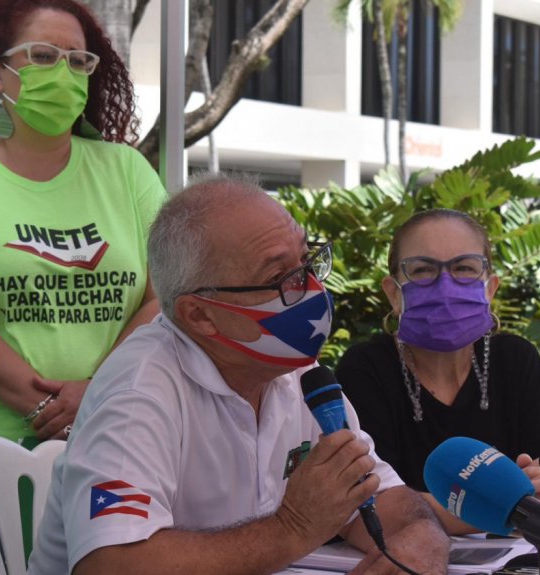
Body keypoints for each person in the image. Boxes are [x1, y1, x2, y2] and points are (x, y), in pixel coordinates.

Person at [28, 176, 450, 575]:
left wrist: (424, 539)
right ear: (201, 315)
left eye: (307, 262)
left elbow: (377, 497)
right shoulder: (140, 389)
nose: (311, 290)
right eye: (279, 277)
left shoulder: (297, 372)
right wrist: (293, 527)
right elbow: (111, 565)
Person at [0, 0, 167, 458]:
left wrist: (96, 395)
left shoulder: (128, 171)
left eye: (78, 61)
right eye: (42, 56)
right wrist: (51, 407)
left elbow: (166, 297)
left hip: (117, 446)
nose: (63, 72)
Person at [335, 208, 540, 535]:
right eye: (423, 270)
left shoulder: (516, 361)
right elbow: (369, 506)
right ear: (393, 293)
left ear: (490, 289)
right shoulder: (365, 370)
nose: (445, 285)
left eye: (464, 268)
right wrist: (516, 512)